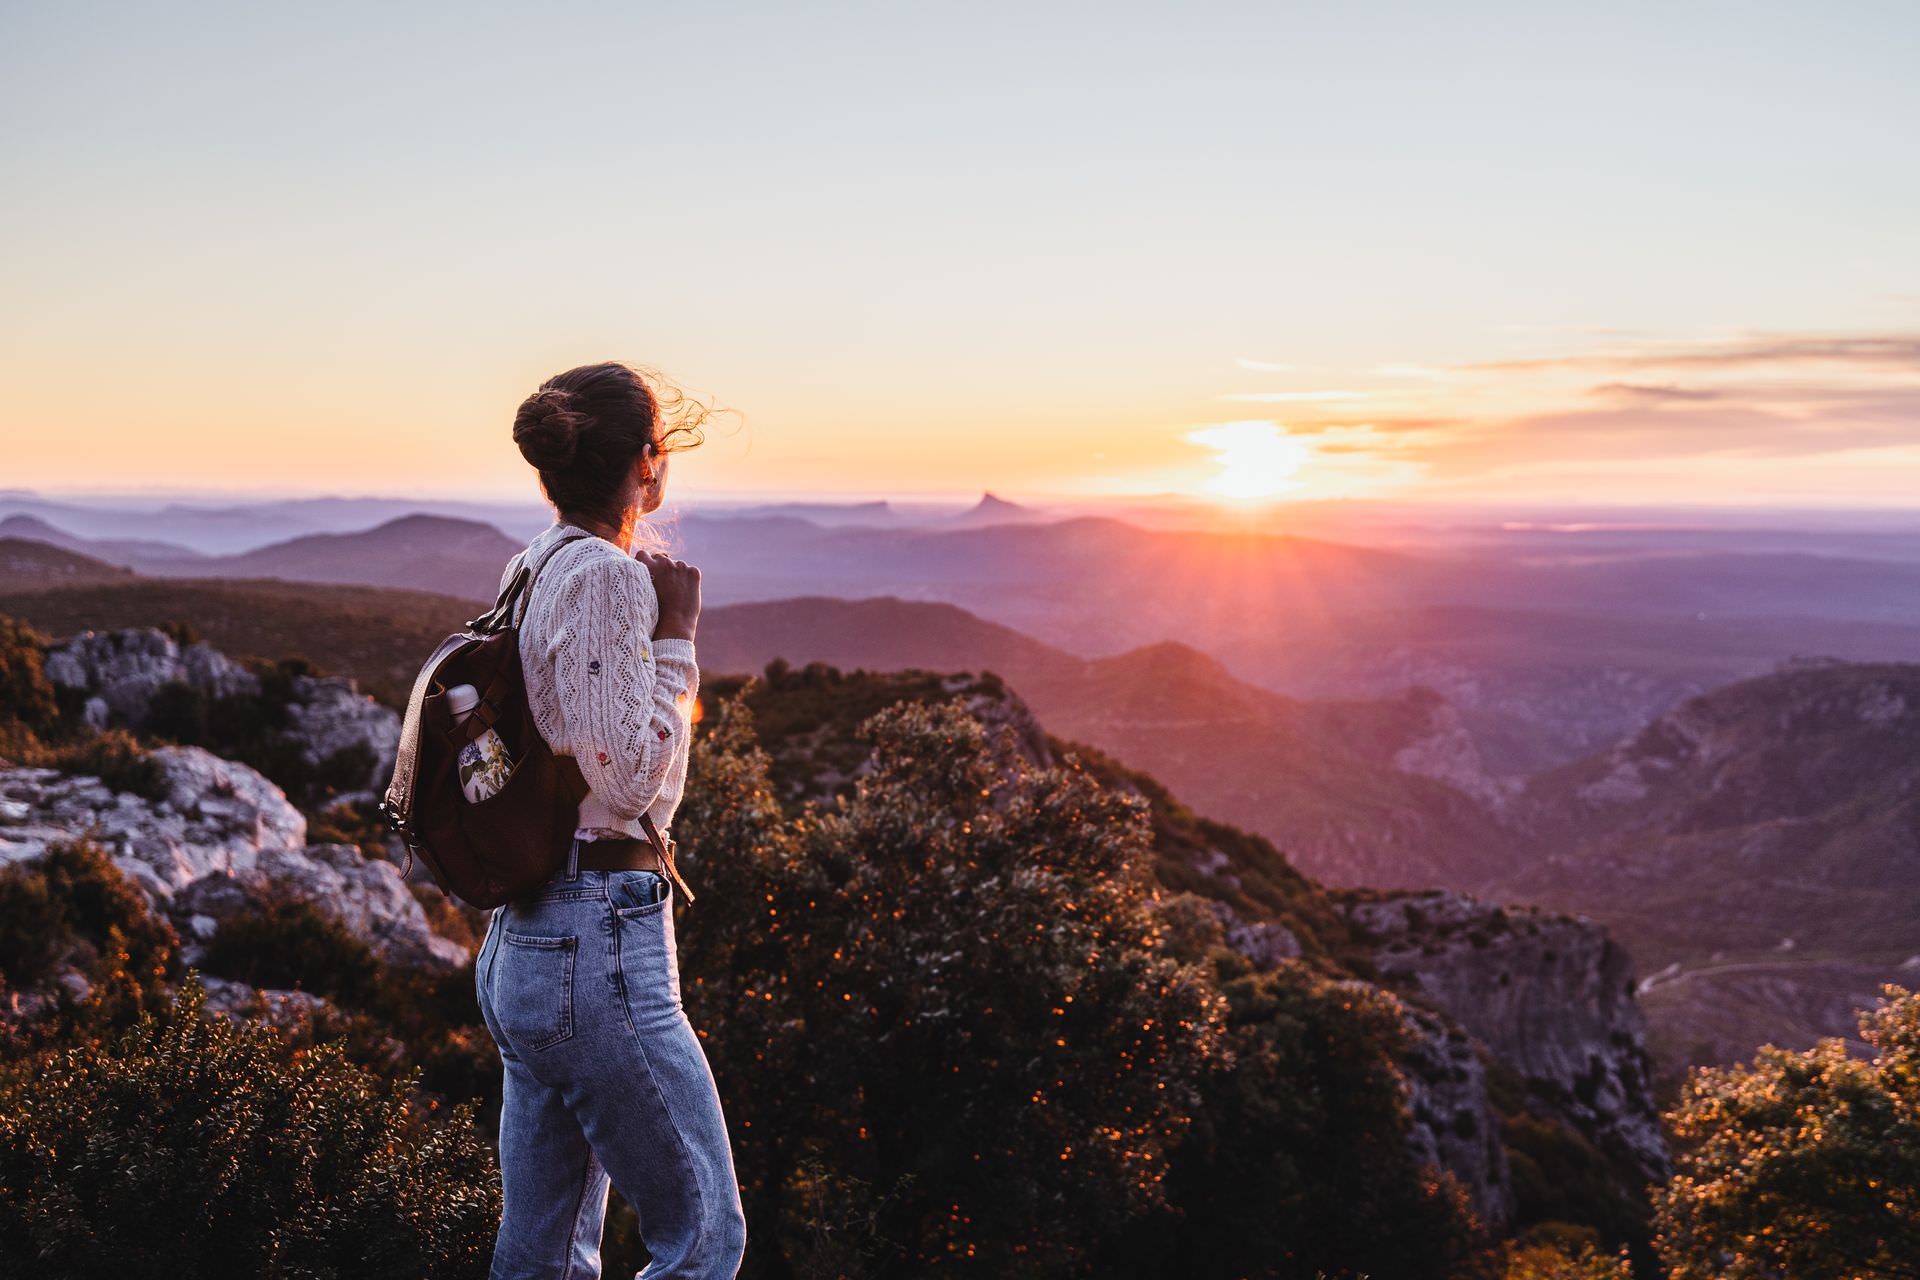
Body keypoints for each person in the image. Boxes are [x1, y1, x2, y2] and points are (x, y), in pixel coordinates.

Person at [473, 361, 746, 1279]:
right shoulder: (607, 581)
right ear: (647, 463)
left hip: (527, 940)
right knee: (705, 1240)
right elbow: (626, 779)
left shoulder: (531, 564)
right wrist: (676, 639)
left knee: (543, 1254)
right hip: (600, 946)